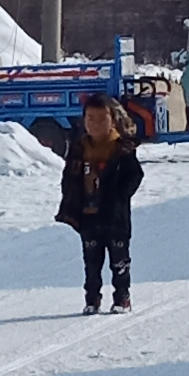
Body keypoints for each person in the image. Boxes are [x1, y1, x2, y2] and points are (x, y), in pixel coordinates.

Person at [54, 92, 143, 314]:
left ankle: (122, 297)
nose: (95, 124)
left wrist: (120, 195)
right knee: (91, 261)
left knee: (119, 260)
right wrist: (71, 199)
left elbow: (135, 175)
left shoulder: (122, 148)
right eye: (90, 118)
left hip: (115, 216)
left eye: (102, 119)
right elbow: (69, 177)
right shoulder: (79, 149)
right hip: (88, 214)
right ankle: (92, 299)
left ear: (113, 120)